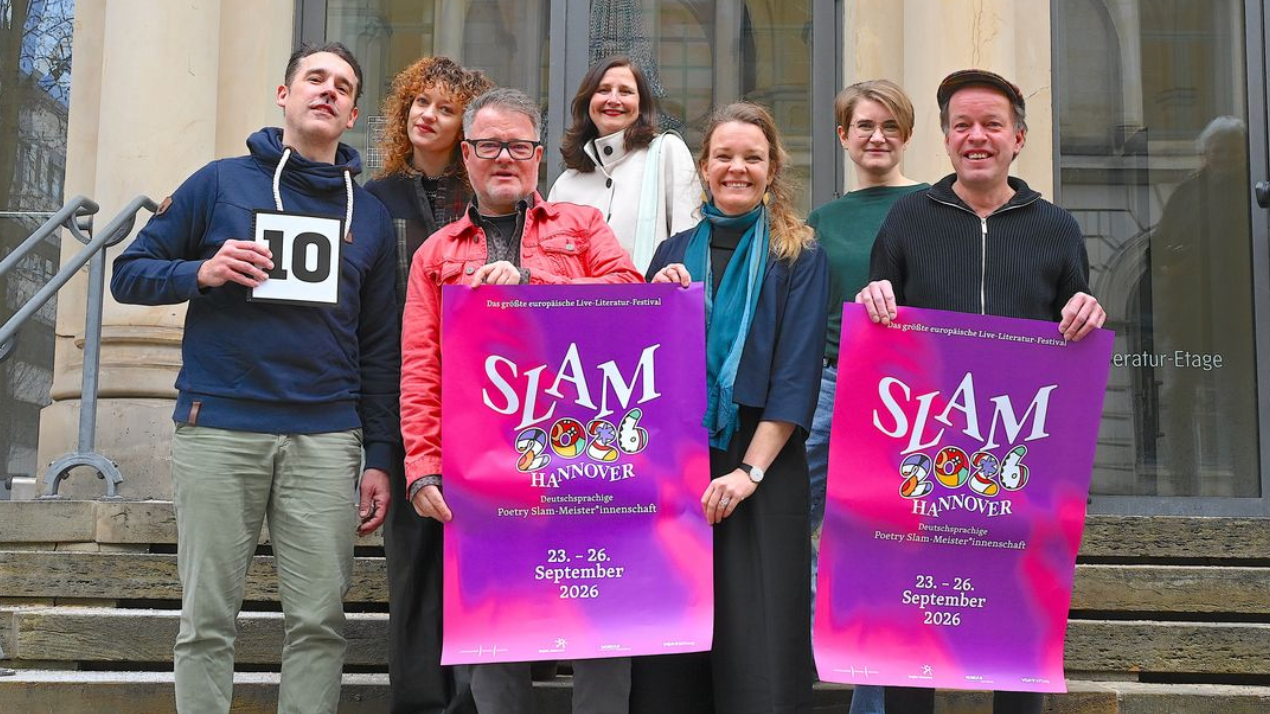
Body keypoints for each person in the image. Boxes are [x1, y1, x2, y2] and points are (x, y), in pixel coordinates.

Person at [110, 43, 397, 714]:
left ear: (353, 113)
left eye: (342, 86)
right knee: (206, 620)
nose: (327, 91)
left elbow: (380, 347)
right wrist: (201, 271)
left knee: (320, 622)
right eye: (314, 78)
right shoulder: (218, 183)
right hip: (220, 429)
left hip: (326, 439)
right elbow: (128, 273)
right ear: (284, 94)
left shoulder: (371, 216)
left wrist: (381, 455)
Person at [856, 68, 1106, 714]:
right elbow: (881, 329)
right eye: (962, 125)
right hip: (925, 454)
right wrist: (873, 297)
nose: (976, 136)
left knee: (1018, 626)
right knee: (912, 622)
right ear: (945, 140)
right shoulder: (908, 218)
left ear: (1018, 138)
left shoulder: (1057, 227)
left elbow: (1073, 322)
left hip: (1020, 454)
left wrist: (1086, 307)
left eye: (992, 124)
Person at [398, 87, 644, 714]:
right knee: (496, 637)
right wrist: (423, 466)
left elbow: (630, 297)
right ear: (466, 156)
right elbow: (422, 369)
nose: (504, 157)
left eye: (517, 145)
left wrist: (533, 282)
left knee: (600, 623)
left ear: (539, 155)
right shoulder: (435, 255)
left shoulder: (582, 227)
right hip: (483, 471)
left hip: (583, 458)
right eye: (488, 145)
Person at [632, 101, 828, 714]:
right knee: (674, 639)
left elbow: (795, 375)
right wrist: (652, 302)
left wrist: (749, 472)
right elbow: (639, 372)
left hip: (762, 463)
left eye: (752, 157)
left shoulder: (798, 254)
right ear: (704, 166)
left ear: (772, 170)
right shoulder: (672, 251)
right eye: (724, 156)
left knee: (757, 639)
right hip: (678, 463)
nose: (737, 168)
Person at [363, 56, 493, 714]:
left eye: (445, 108)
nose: (428, 116)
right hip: (406, 398)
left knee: (476, 560)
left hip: (487, 405)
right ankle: (417, 702)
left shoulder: (492, 198)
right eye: (420, 102)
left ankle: (472, 701)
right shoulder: (374, 197)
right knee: (413, 563)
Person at [804, 79, 928, 714]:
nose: (877, 137)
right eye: (864, 126)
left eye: (889, 126)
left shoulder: (935, 207)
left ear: (906, 135)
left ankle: (871, 699)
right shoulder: (822, 222)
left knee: (887, 541)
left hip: (911, 396)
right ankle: (820, 645)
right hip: (830, 382)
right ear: (843, 136)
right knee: (787, 518)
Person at [1150, 115, 1257, 496]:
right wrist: (1176, 259)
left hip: (1241, 323)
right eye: (1216, 151)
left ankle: (1248, 489)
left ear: (1245, 154)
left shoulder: (1253, 195)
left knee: (1239, 406)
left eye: (1231, 151)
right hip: (1186, 321)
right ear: (1205, 154)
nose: (1223, 157)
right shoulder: (1186, 193)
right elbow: (1158, 250)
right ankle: (1183, 489)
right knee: (1176, 402)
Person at [549, 55, 701, 272]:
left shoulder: (666, 152)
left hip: (651, 293)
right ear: (588, 101)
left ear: (641, 106)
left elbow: (688, 239)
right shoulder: (565, 184)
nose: (613, 99)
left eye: (625, 91)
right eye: (603, 90)